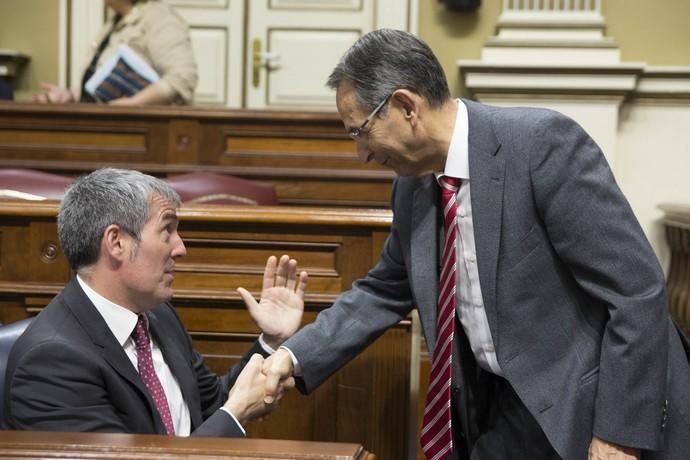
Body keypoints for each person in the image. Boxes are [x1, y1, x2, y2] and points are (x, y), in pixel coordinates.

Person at [260, 29, 690, 460]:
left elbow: (635, 290)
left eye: (361, 132)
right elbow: (382, 291)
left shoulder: (541, 146)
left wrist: (617, 436)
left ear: (406, 106)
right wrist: (291, 357)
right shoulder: (411, 190)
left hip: (591, 401)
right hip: (505, 406)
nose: (362, 156)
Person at [3, 168, 307, 437]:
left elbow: (213, 404)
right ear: (117, 242)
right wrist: (236, 416)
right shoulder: (51, 362)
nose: (181, 248)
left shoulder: (158, 316)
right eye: (167, 230)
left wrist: (270, 341)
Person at [34, 0, 197, 105]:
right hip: (104, 129)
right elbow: (98, 84)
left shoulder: (160, 17)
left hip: (141, 135)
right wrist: (69, 96)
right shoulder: (111, 25)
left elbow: (183, 77)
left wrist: (133, 103)